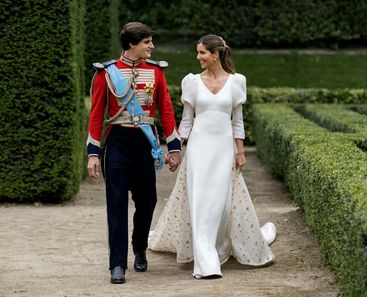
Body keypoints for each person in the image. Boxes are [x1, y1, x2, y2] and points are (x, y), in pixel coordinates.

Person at [149, 34, 275, 278]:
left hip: (223, 150)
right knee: (199, 202)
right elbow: (186, 121)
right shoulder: (192, 82)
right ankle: (206, 263)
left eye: (202, 53)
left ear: (216, 54)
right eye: (198, 53)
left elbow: (237, 123)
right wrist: (175, 147)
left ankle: (218, 247)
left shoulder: (237, 82)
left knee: (221, 205)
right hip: (198, 149)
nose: (198, 57)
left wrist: (240, 152)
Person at [86, 22, 181, 284]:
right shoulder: (107, 73)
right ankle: (117, 264)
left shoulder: (156, 72)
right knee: (116, 205)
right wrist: (93, 153)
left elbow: (166, 110)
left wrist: (173, 147)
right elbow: (96, 115)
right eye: (147, 42)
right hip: (117, 142)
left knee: (147, 201)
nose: (152, 46)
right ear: (131, 44)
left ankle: (139, 247)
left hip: (144, 144)